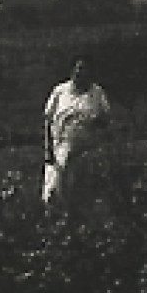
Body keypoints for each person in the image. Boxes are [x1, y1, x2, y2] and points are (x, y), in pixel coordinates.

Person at [41, 55, 112, 212]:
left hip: (88, 148)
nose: (81, 73)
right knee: (56, 185)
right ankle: (54, 219)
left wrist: (95, 120)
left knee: (82, 189)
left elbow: (106, 120)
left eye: (85, 69)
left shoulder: (97, 93)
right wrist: (48, 150)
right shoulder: (60, 91)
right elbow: (47, 121)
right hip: (61, 146)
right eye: (78, 68)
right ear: (72, 70)